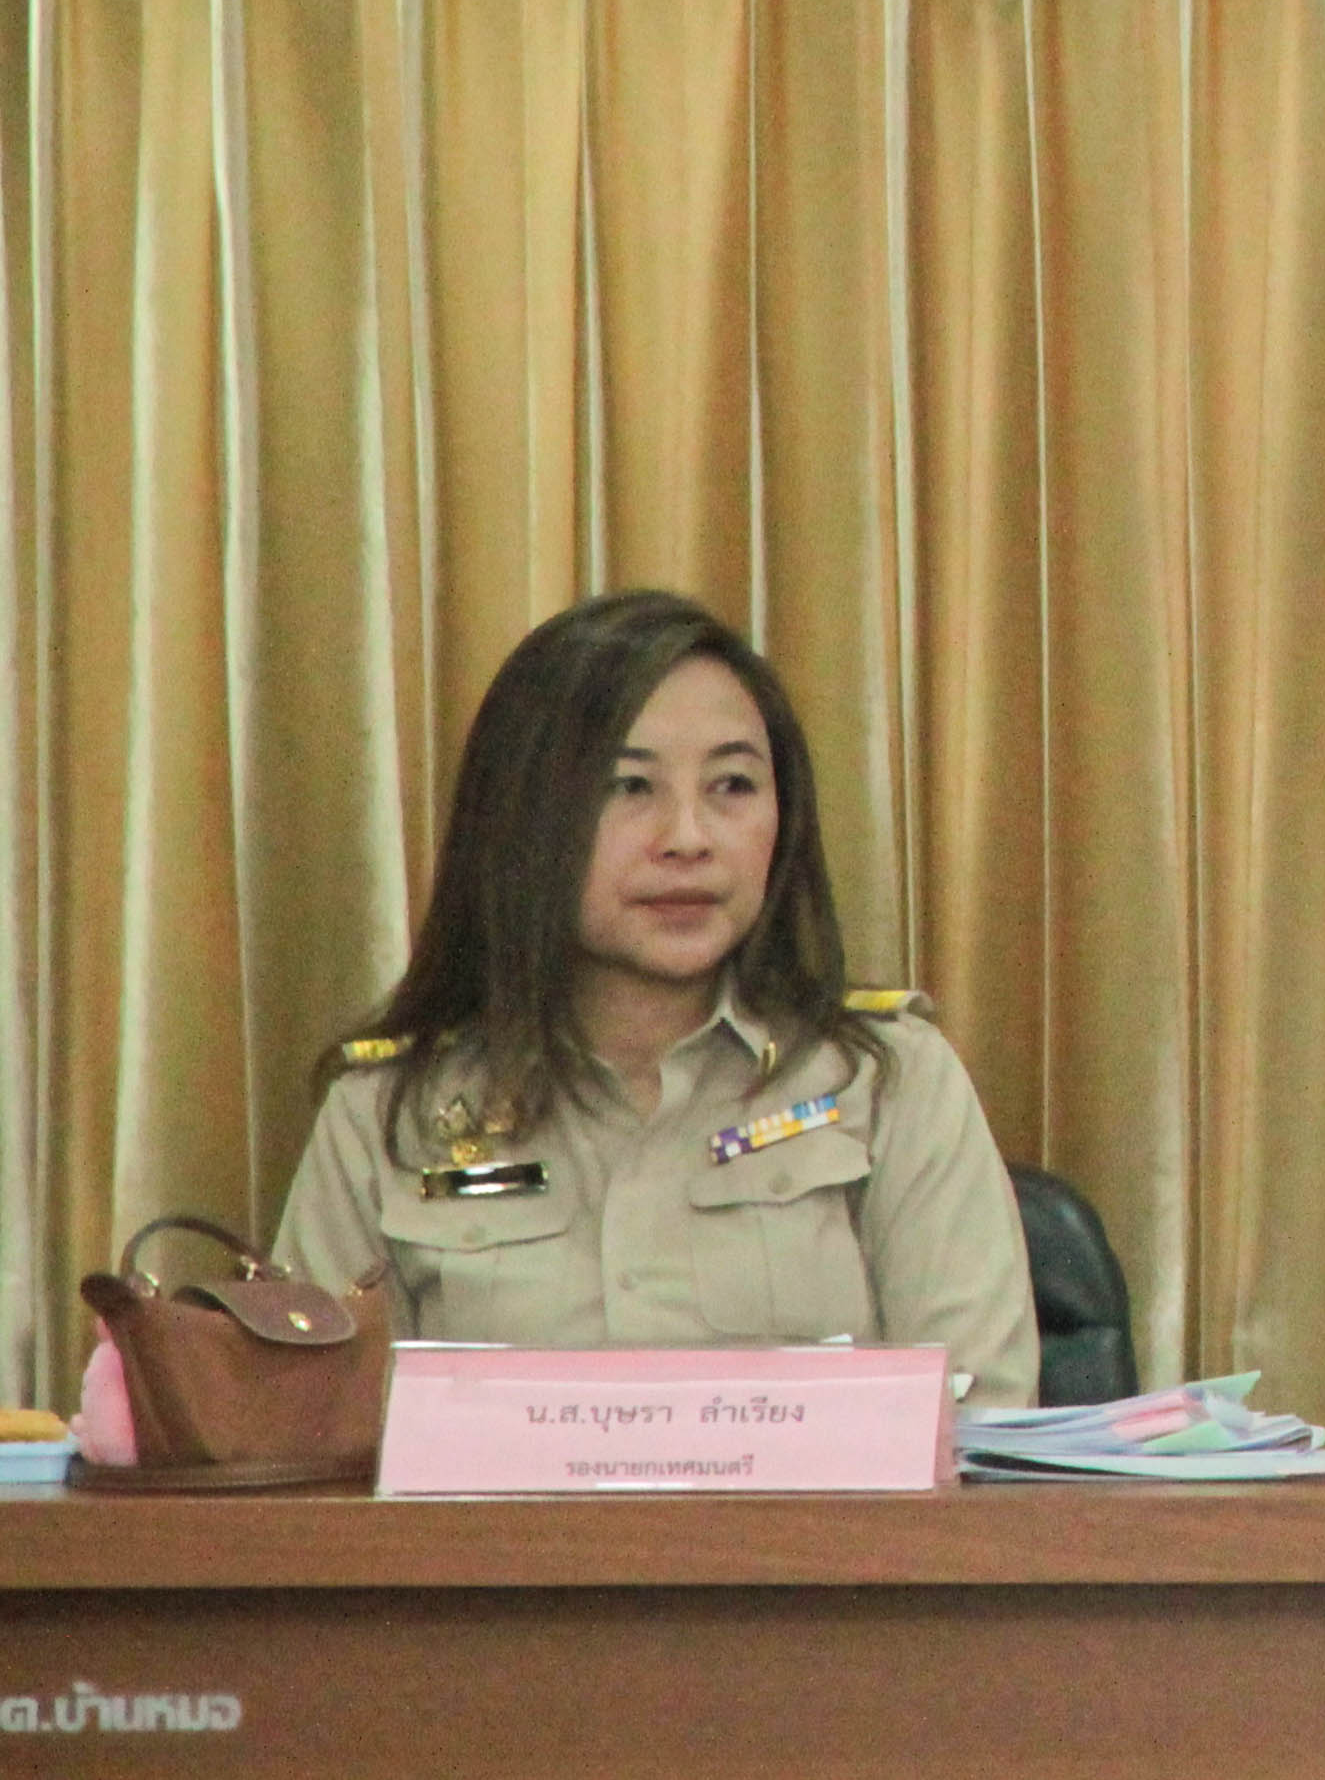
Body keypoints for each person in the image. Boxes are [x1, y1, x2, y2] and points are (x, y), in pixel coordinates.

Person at [276, 590, 1041, 1405]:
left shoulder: (886, 1081)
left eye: (733, 784)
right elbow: (306, 1437)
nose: (687, 837)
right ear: (522, 817)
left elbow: (978, 1421)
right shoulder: (386, 1114)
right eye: (629, 786)